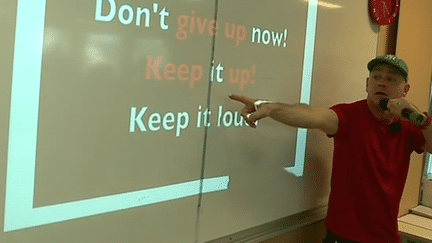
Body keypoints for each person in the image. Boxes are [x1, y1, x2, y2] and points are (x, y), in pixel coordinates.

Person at [229, 55, 432, 243]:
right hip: (341, 237)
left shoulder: (411, 126)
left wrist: (418, 118)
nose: (381, 82)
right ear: (367, 84)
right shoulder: (349, 116)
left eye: (391, 79)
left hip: (385, 238)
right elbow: (310, 115)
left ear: (405, 90)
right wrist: (271, 108)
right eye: (376, 77)